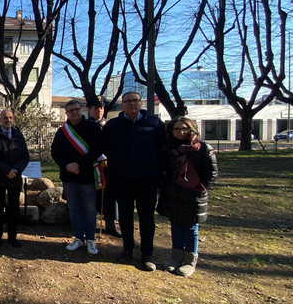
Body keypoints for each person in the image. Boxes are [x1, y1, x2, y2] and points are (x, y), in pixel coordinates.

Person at [102, 91, 166, 271]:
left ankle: (147, 254)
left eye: (135, 101)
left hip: (148, 179)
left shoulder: (155, 124)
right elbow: (105, 148)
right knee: (125, 216)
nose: (132, 104)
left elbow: (163, 150)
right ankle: (127, 249)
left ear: (141, 103)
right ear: (122, 104)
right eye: (128, 101)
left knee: (146, 217)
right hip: (122, 179)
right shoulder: (112, 125)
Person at [156, 117, 217, 277]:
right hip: (172, 194)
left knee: (191, 228)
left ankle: (189, 261)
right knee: (175, 225)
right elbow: (163, 169)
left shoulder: (203, 148)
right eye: (176, 129)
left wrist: (201, 189)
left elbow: (211, 173)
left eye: (184, 128)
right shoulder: (168, 149)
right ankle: (176, 258)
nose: (181, 132)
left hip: (193, 195)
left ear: (192, 129)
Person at [51, 99, 102, 255]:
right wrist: (68, 166)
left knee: (90, 209)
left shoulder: (93, 127)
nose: (74, 113)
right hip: (69, 176)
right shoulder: (62, 131)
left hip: (86, 174)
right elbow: (55, 152)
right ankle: (78, 237)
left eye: (77, 110)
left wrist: (79, 164)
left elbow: (97, 149)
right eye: (71, 110)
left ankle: (91, 239)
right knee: (73, 209)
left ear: (82, 110)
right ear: (66, 113)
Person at [0, 109, 30, 248]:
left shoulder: (18, 135)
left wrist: (16, 171)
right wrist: (6, 171)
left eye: (11, 117)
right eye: (5, 118)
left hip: (15, 178)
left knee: (13, 209)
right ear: (0, 119)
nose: (8, 120)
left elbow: (25, 156)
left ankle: (12, 236)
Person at [87, 96, 121, 238]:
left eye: (101, 108)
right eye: (96, 108)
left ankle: (110, 225)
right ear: (89, 110)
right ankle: (89, 225)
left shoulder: (110, 125)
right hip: (90, 168)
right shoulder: (85, 126)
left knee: (110, 198)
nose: (99, 111)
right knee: (91, 198)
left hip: (108, 168)